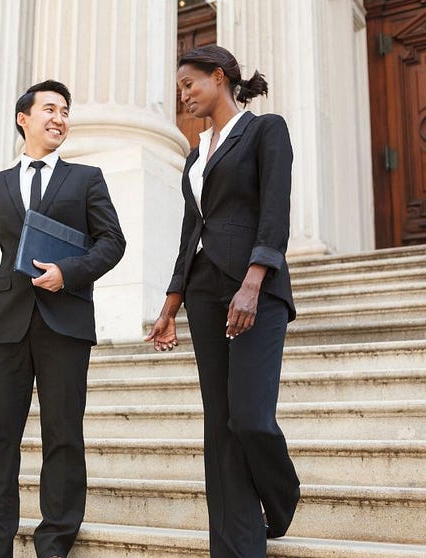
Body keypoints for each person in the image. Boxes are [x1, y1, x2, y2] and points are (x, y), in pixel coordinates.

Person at [144, 45, 300, 557]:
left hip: (253, 289)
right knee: (220, 423)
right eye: (179, 89)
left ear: (218, 77)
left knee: (250, 418)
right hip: (205, 293)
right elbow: (191, 230)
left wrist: (254, 281)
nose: (183, 95)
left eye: (189, 84)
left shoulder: (264, 130)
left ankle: (280, 499)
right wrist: (171, 304)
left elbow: (274, 209)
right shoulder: (194, 153)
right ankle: (234, 546)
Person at [0, 80, 126, 558]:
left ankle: (54, 542)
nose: (60, 118)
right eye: (50, 109)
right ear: (24, 119)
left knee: (63, 435)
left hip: (66, 322)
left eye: (66, 111)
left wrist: (67, 273)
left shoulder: (86, 179)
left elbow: (112, 242)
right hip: (7, 323)